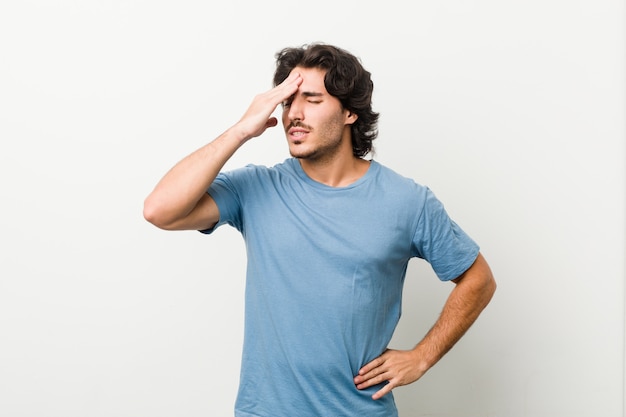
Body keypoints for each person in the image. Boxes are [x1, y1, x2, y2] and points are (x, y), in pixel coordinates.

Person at [143, 42, 496, 417]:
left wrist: (422, 357)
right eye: (287, 102)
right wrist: (241, 131)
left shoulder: (407, 201)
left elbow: (478, 279)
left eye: (311, 100)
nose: (294, 113)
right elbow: (159, 210)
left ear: (349, 112)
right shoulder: (256, 188)